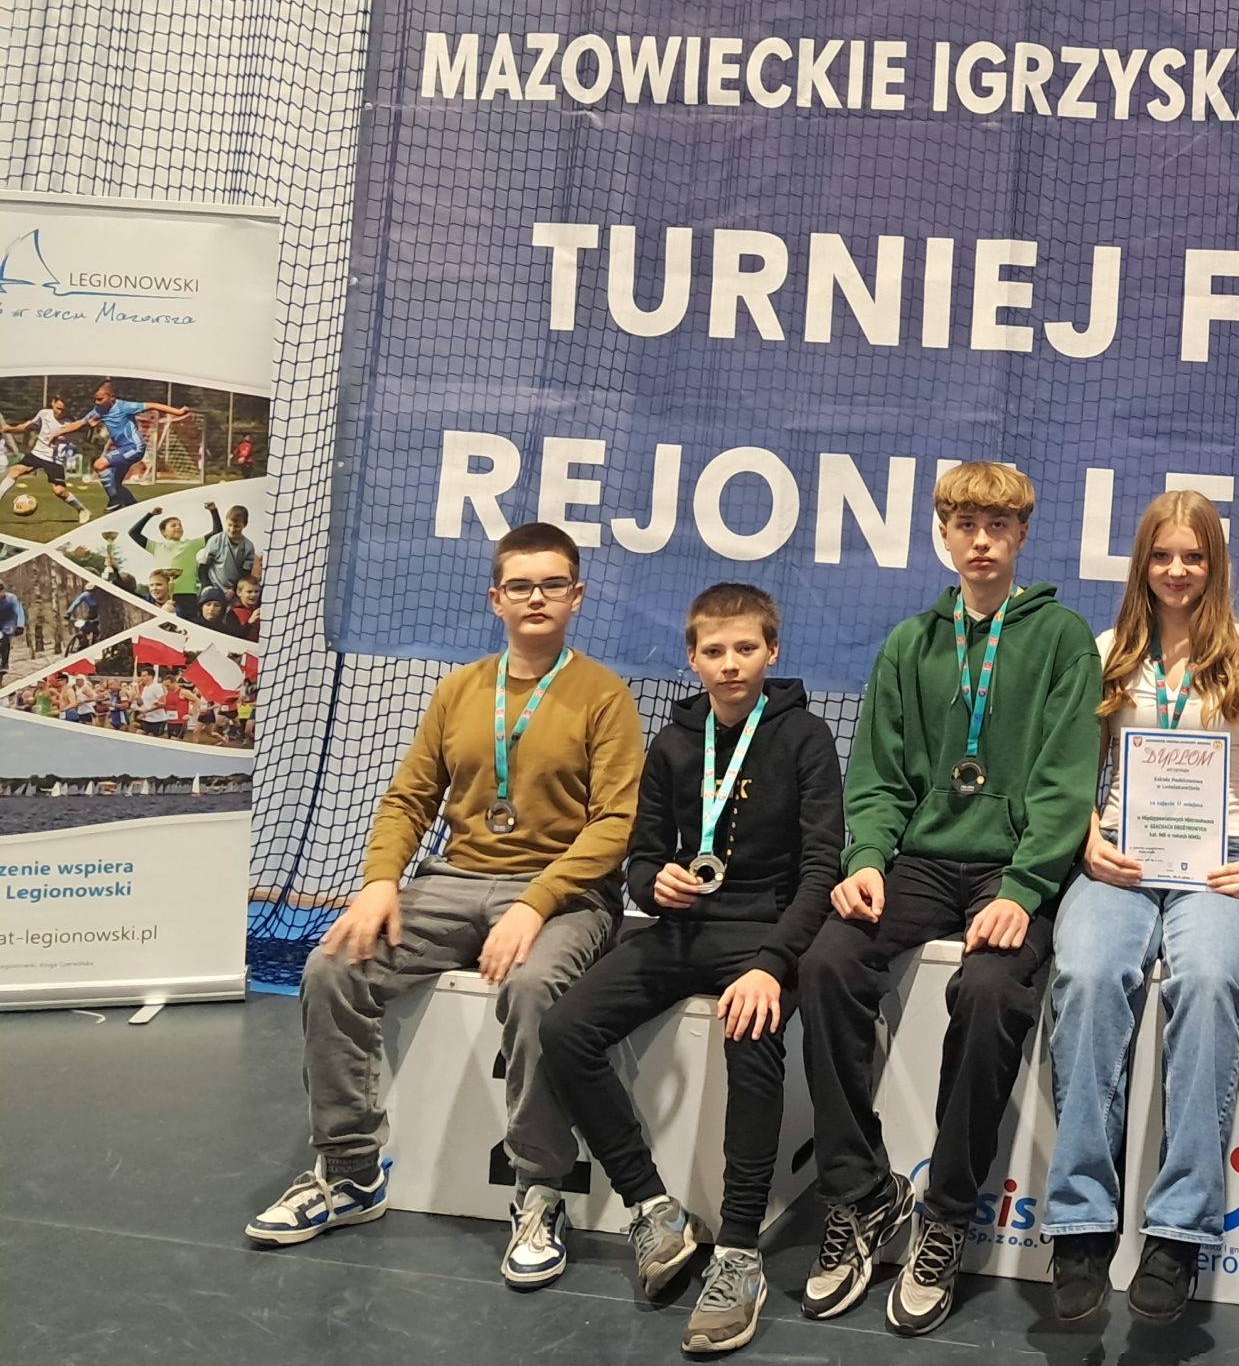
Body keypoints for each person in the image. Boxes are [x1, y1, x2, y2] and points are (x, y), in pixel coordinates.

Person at [244, 521, 643, 1289]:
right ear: (496, 598)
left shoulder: (605, 697)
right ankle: (350, 1173)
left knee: (535, 991)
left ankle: (539, 1191)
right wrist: (379, 881)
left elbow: (615, 825)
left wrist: (536, 904)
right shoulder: (459, 690)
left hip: (564, 891)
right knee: (331, 967)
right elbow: (409, 798)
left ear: (577, 596)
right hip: (453, 880)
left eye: (552, 584)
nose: (536, 597)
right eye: (520, 585)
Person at [796, 462, 1101, 1334]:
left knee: (991, 989)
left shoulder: (1063, 640)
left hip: (1015, 867)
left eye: (998, 526)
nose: (981, 541)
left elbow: (1066, 781)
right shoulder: (910, 644)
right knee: (827, 964)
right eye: (965, 524)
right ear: (943, 534)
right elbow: (878, 776)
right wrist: (866, 858)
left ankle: (947, 1213)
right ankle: (860, 1192)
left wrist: (1026, 887)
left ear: (1022, 536)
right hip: (922, 864)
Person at [538, 583, 844, 1354]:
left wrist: (773, 964)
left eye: (745, 648)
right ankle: (652, 1207)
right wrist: (655, 885)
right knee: (566, 1028)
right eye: (715, 651)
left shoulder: (805, 737)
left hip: (766, 934)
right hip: (681, 931)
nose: (730, 663)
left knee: (751, 1031)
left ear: (772, 651)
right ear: (693, 658)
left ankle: (739, 1252)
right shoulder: (676, 742)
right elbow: (641, 857)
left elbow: (821, 871)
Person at [1042, 489, 1239, 1325]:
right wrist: (1087, 841)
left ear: (1215, 562)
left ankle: (1178, 1233)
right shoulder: (1105, 653)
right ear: (1142, 564)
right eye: (1163, 555)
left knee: (1209, 982)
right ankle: (1081, 1226)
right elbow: (1068, 774)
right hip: (1118, 861)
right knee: (1086, 976)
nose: (1178, 570)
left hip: (1222, 867)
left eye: (1193, 556)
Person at [90, 382, 189, 512]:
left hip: (133, 448)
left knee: (99, 465)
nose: (97, 402)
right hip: (122, 449)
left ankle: (115, 501)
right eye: (96, 399)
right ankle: (135, 509)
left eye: (100, 399)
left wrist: (178, 412)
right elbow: (80, 423)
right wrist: (63, 431)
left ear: (111, 397)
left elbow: (152, 405)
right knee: (115, 483)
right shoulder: (100, 410)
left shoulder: (124, 406)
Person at [3, 395, 94, 519]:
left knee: (59, 491)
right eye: (58, 408)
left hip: (54, 460)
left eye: (63, 410)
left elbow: (82, 438)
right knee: (14, 471)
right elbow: (27, 427)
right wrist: (10, 429)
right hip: (37, 454)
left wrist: (85, 431)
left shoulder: (71, 423)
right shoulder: (44, 414)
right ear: (53, 403)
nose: (59, 412)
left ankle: (82, 510)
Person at [199, 502, 261, 611]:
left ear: (244, 525)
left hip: (232, 592)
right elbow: (203, 566)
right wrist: (207, 586)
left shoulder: (248, 546)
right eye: (230, 525)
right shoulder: (215, 540)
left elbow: (244, 573)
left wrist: (233, 590)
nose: (232, 529)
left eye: (237, 526)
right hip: (213, 588)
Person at [0, 586, 22, 677]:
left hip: (7, 626)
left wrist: (20, 625)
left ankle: (4, 664)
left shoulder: (12, 598)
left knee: (5, 642)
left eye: (1, 592)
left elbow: (19, 612)